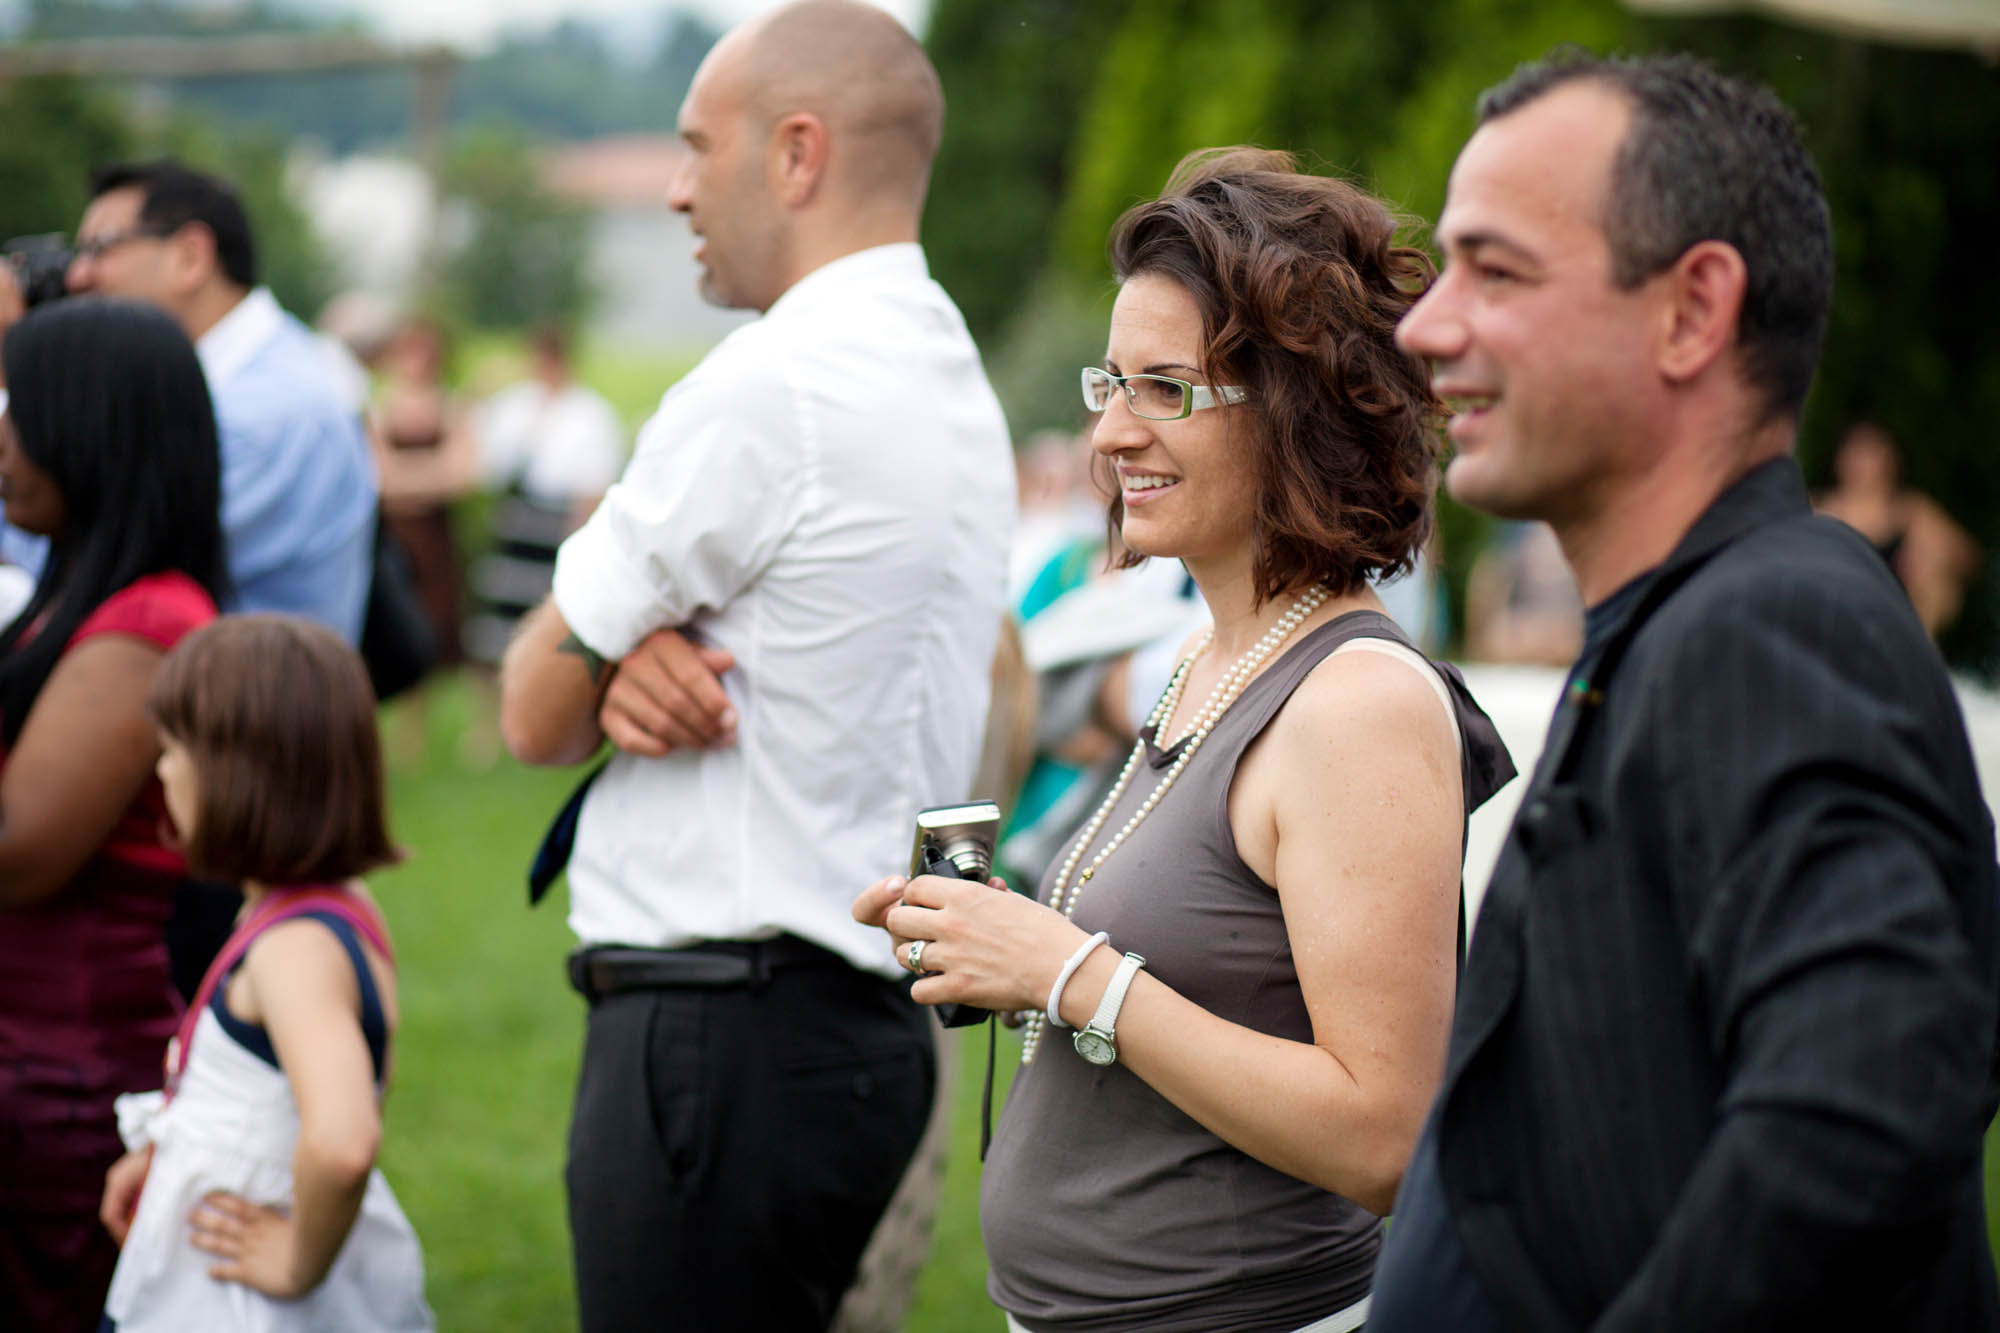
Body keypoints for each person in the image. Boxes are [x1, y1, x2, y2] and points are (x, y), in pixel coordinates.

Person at [1369, 52, 2000, 1331]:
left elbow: (1862, 1107)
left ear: (1690, 310)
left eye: (1493, 271)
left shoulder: (1768, 623)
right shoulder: (1688, 619)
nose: (1423, 327)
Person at [854, 147, 1516, 1333]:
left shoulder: (1354, 702)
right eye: (1105, 384)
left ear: (1299, 410)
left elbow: (1386, 1132)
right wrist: (995, 940)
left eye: (1164, 389)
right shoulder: (1209, 656)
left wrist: (1064, 972)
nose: (1109, 436)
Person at [496, 4, 1014, 1329]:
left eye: (694, 145)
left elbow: (531, 708)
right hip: (850, 1037)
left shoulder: (771, 383)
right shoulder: (951, 375)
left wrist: (607, 647)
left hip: (721, 1034)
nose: (675, 189)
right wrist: (632, 652)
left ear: (796, 154)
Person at [99, 615, 432, 1332]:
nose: (161, 772)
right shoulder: (331, 908)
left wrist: (295, 1261)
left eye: (172, 751)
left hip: (239, 1304)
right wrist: (172, 1147)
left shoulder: (294, 948)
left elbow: (344, 1140)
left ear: (234, 773)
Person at [0, 298, 226, 1333]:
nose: (2, 439)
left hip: (62, 1084)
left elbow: (22, 852)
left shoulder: (146, 622)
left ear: (88, 429)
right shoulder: (81, 599)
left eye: (21, 411)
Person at [462, 324, 625, 666]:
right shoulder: (514, 405)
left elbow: (593, 487)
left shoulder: (590, 414)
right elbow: (482, 463)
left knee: (540, 628)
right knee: (495, 631)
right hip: (511, 528)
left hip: (554, 528)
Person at [1814, 420, 1980, 639]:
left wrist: (1931, 556)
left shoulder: (1911, 511)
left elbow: (1970, 560)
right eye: (1857, 452)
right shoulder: (1817, 510)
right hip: (1836, 612)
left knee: (1938, 581)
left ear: (1892, 461)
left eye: (1873, 453)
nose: (1864, 464)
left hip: (1896, 621)